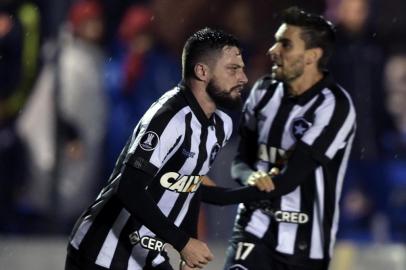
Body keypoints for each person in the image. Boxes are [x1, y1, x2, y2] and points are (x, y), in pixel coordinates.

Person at [65, 27, 281, 270]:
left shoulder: (222, 125)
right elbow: (129, 188)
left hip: (147, 253)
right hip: (102, 252)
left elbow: (191, 188)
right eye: (233, 69)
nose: (243, 78)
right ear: (202, 71)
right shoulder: (169, 118)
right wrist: (183, 243)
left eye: (241, 68)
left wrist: (255, 193)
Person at [223, 7, 356, 270]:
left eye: (285, 44)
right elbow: (241, 160)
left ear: (312, 56)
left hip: (306, 244)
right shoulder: (262, 91)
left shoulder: (336, 105)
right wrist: (250, 176)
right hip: (253, 226)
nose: (273, 50)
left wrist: (204, 193)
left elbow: (291, 177)